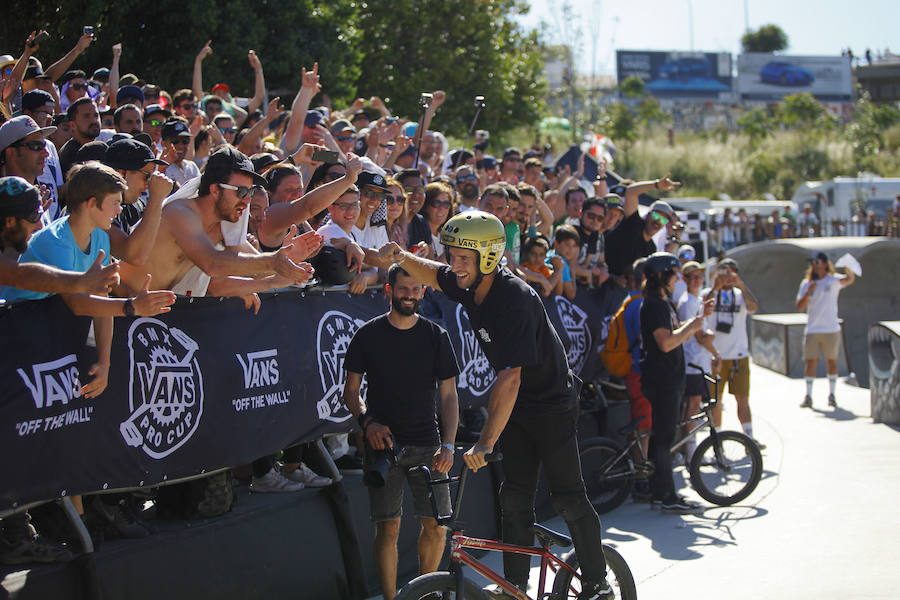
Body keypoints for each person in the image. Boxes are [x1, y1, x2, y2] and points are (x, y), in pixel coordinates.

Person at [367, 211, 615, 600]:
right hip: (517, 406)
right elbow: (435, 274)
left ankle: (599, 583)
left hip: (551, 404)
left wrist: (484, 442)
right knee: (514, 497)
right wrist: (401, 255)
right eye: (453, 255)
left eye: (463, 258)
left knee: (568, 496)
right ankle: (515, 587)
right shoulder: (470, 280)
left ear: (487, 257)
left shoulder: (512, 296)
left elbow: (510, 377)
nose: (455, 265)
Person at [342, 264, 460, 600]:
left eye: (416, 289)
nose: (410, 295)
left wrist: (449, 444)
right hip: (384, 447)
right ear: (388, 291)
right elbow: (351, 392)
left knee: (436, 527)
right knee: (387, 528)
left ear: (424, 292)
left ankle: (427, 594)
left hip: (429, 445)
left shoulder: (436, 336)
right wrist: (368, 423)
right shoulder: (367, 334)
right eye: (403, 289)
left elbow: (449, 395)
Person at [639, 253, 712, 512]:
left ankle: (657, 490)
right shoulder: (654, 305)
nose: (678, 278)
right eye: (674, 273)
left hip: (669, 378)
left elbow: (672, 331)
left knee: (663, 436)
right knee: (664, 438)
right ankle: (666, 496)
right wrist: (691, 327)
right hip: (662, 380)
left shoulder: (663, 302)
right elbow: (666, 342)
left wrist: (694, 322)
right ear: (661, 276)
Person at [703, 258, 764, 447]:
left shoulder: (740, 295)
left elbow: (754, 307)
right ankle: (717, 441)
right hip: (716, 357)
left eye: (732, 272)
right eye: (725, 272)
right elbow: (702, 307)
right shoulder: (710, 293)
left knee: (743, 399)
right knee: (716, 402)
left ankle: (750, 438)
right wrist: (716, 286)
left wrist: (742, 286)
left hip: (739, 355)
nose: (729, 276)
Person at [796, 252, 856, 408]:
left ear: (824, 264)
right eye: (812, 262)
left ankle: (832, 394)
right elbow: (800, 306)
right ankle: (808, 396)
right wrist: (809, 291)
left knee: (832, 362)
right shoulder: (806, 283)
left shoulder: (833, 280)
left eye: (817, 262)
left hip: (831, 329)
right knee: (810, 363)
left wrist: (849, 269)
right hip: (813, 329)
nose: (814, 265)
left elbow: (849, 280)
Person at [675, 261, 719, 465]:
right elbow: (701, 336)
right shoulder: (689, 302)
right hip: (692, 363)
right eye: (692, 276)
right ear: (684, 280)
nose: (697, 280)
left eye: (699, 276)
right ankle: (691, 454)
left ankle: (689, 450)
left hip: (697, 362)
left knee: (694, 407)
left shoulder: (695, 300)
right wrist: (715, 352)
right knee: (692, 407)